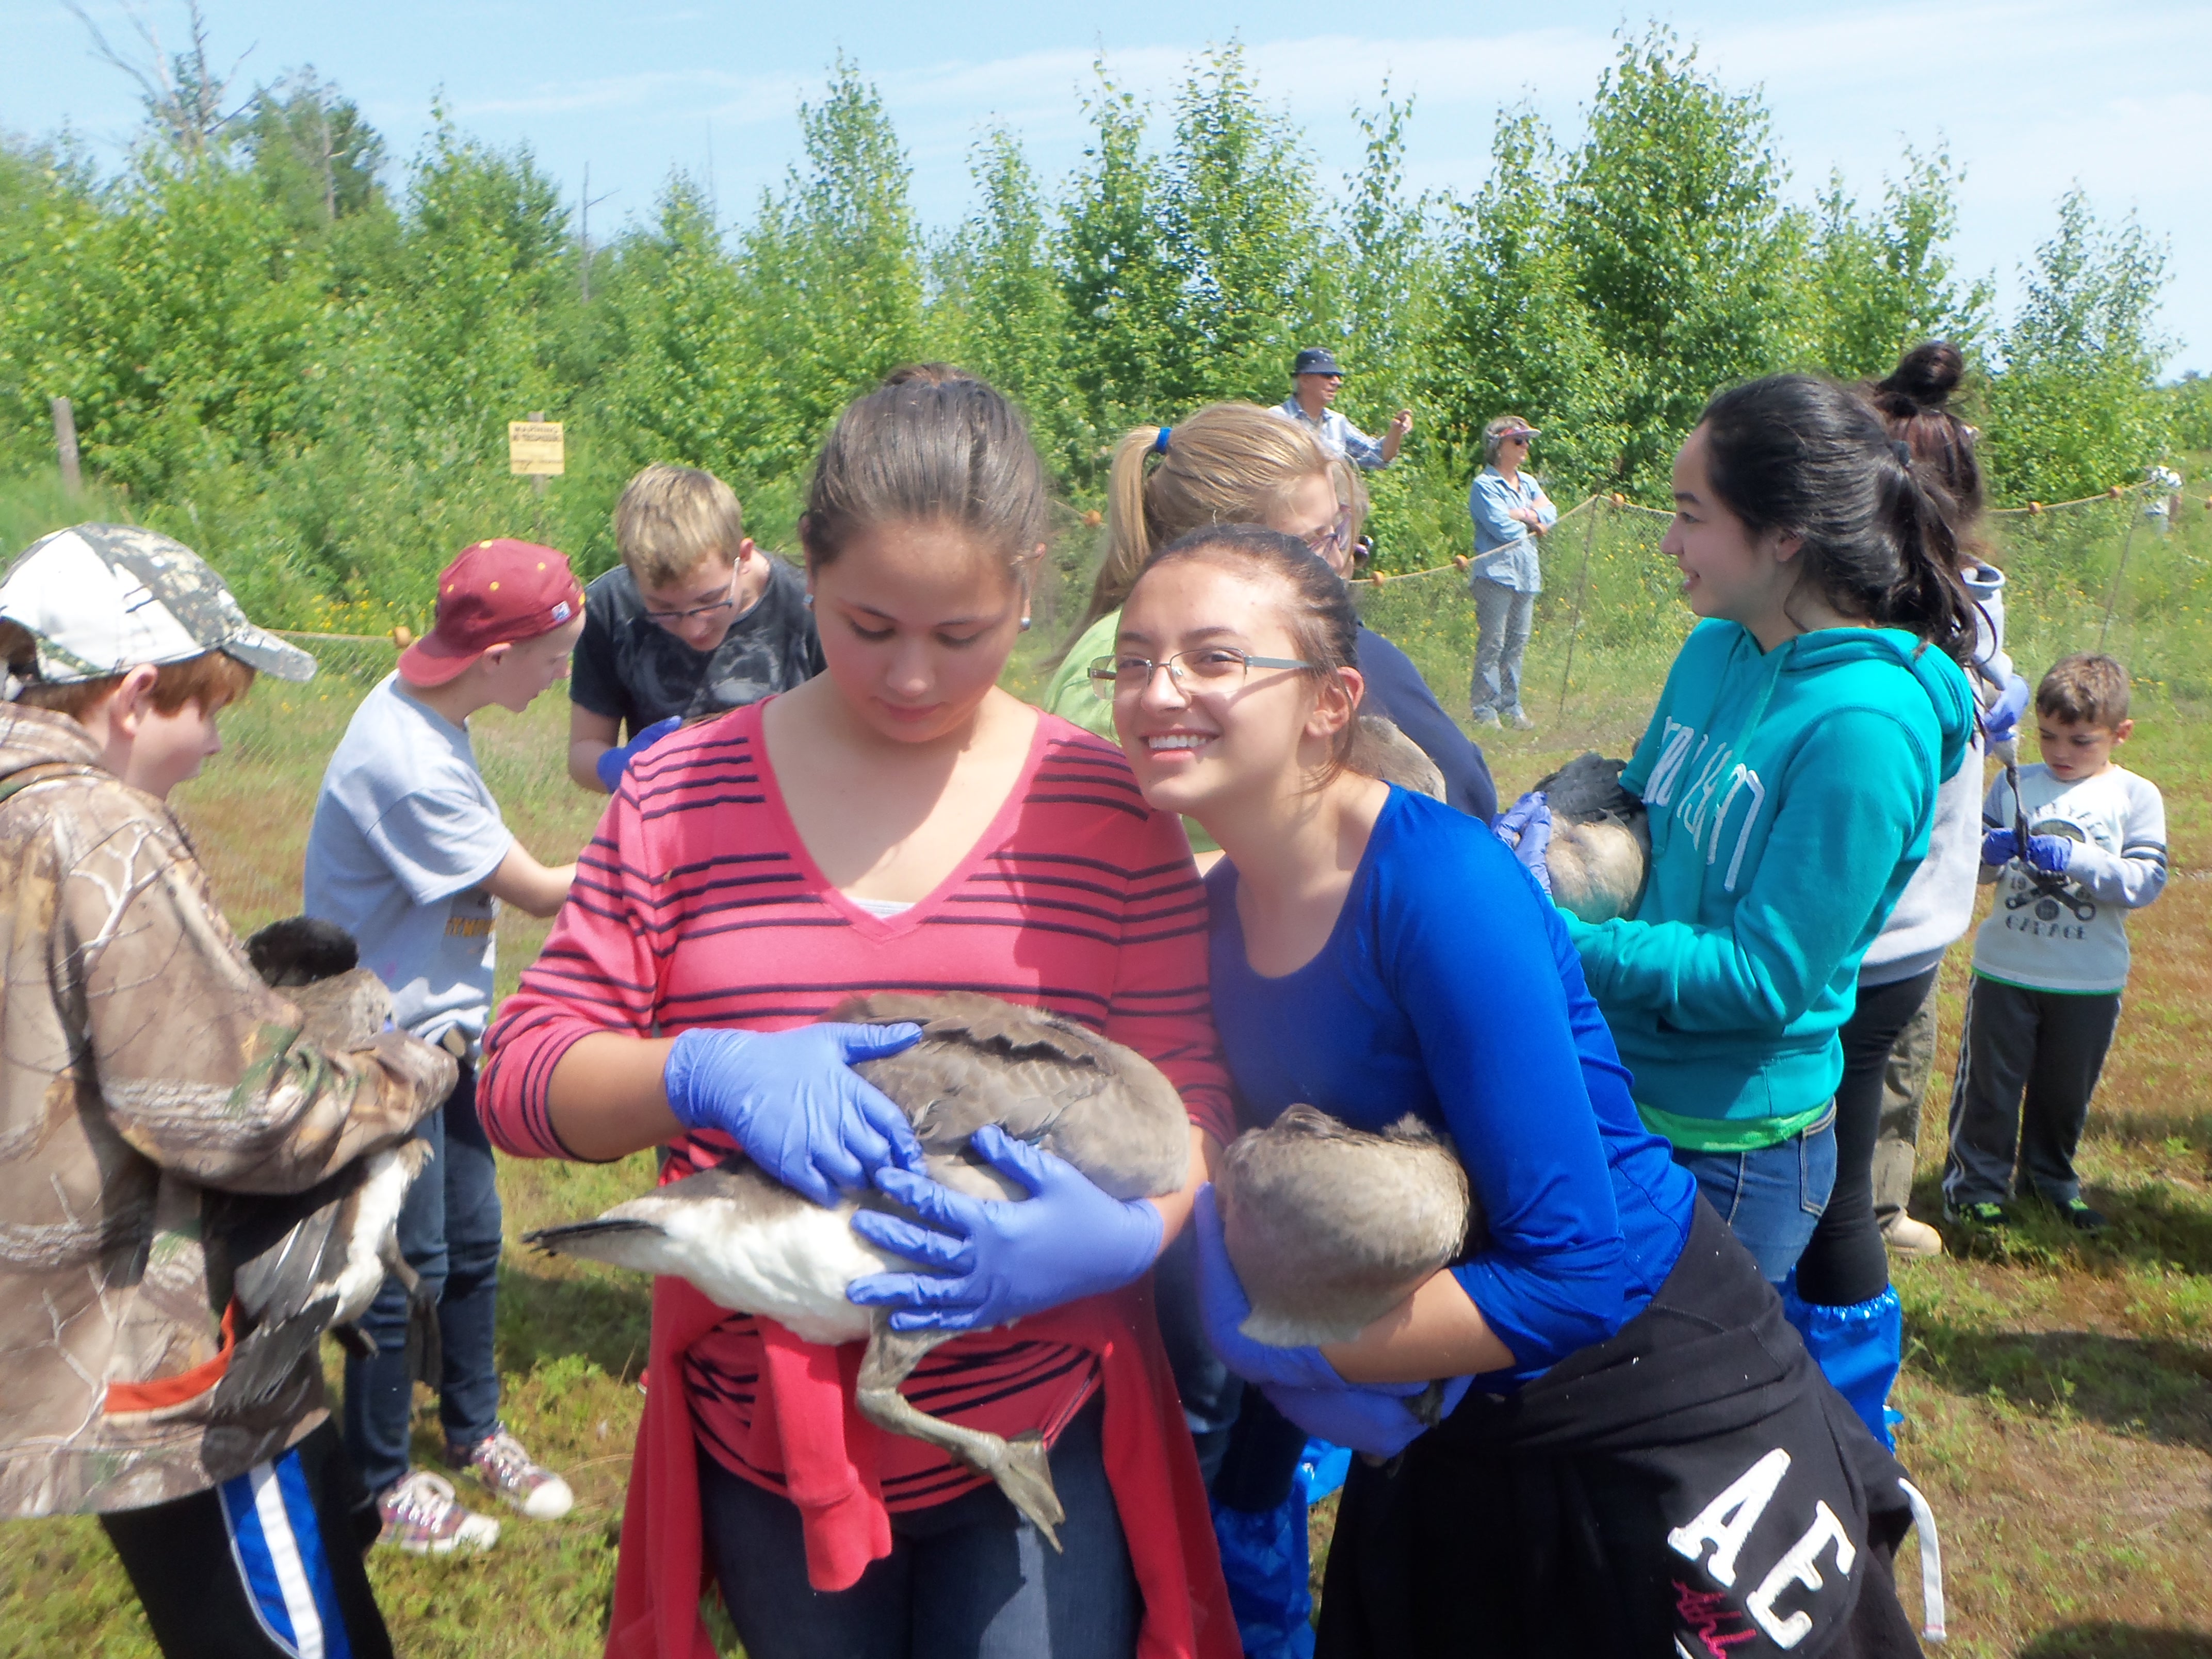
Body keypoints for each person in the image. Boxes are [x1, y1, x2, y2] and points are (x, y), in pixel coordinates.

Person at [479, 372, 1238, 1659]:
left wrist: (1123, 1237)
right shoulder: (677, 795)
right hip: (769, 1446)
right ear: (800, 572)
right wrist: (699, 1071)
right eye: (867, 623)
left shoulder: (1108, 811)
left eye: (962, 632)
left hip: (1038, 1412)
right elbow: (519, 1078)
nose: (910, 674)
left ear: (1030, 584)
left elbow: (1194, 1095)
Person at [1108, 522, 1928, 1657]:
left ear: (1329, 702)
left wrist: (1283, 1347)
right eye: (1133, 660)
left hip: (1640, 1403)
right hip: (1449, 1411)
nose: (1157, 693)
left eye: (1212, 659)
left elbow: (1578, 1273)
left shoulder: (1436, 887)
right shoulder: (1207, 916)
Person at [0, 524, 457, 1658]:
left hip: (54, 1346)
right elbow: (239, 1111)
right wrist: (413, 1068)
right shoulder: (101, 831)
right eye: (206, 707)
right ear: (132, 694)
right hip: (173, 1373)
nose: (213, 741)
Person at [1503, 375, 1978, 1295]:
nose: (1668, 542)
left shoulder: (1865, 727)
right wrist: (1553, 837)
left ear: (1785, 534)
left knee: (1652, 1386)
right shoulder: (1714, 647)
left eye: (1691, 515)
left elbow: (1764, 979)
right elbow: (1643, 823)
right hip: (1616, 1086)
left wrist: (1549, 937)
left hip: (1730, 1151)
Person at [306, 538, 583, 1552]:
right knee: (399, 1262)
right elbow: (541, 891)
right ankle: (380, 1485)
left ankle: (474, 1432)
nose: (562, 676)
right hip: (382, 1052)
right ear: (499, 655)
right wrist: (660, 829)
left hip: (443, 1039)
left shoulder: (432, 714)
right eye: (555, 657)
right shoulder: (409, 761)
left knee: (470, 1239)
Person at [1775, 343, 2029, 1444]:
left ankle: (1837, 1408)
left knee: (1818, 1174)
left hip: (1857, 935)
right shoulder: (1964, 611)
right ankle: (1842, 1406)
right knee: (1831, 1163)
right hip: (1901, 929)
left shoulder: (1892, 626)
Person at [1042, 403, 1495, 827]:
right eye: (1308, 544)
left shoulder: (1109, 645)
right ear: (1215, 543)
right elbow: (1466, 792)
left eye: (1338, 528)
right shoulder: (1115, 683)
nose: (1340, 559)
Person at [1944, 653, 2167, 1233]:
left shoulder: (2135, 796)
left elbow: (2145, 882)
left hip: (2089, 979)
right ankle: (1975, 1188)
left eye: (2080, 741)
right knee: (1990, 1091)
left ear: (2120, 733)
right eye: (2047, 736)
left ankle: (2050, 1183)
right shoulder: (2012, 782)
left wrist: (2079, 859)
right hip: (2006, 971)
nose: (2060, 752)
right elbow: (1973, 868)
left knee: (2064, 1095)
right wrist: (1987, 852)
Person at [567, 463, 823, 793]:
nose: (693, 629)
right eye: (664, 609)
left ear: (743, 557)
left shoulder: (809, 604)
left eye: (710, 600)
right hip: (667, 813)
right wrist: (624, 768)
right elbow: (583, 750)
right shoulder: (609, 606)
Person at [1465, 415, 1557, 729]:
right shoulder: (1484, 485)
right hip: (1495, 575)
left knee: (1517, 642)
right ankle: (1484, 709)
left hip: (1526, 574)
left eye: (1527, 441)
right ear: (1498, 445)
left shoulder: (1529, 482)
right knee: (1493, 642)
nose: (1525, 446)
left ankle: (1511, 705)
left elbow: (1551, 512)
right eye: (1518, 440)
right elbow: (1502, 528)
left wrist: (1522, 513)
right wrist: (1532, 522)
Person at [1273, 347, 1411, 471]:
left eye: (1338, 376)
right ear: (1305, 380)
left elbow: (1379, 456)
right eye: (1328, 376)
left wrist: (1396, 430)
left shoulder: (1337, 422)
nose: (1337, 382)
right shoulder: (1275, 419)